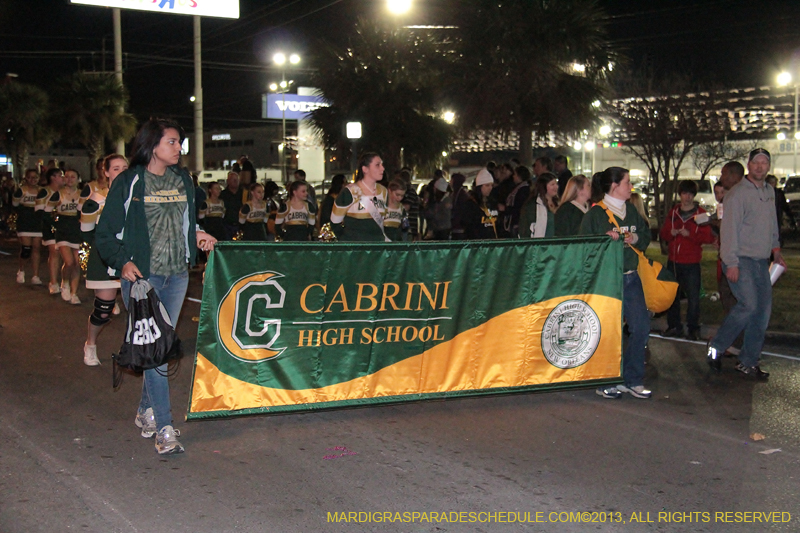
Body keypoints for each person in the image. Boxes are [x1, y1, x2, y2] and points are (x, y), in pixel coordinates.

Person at [96, 118, 216, 455]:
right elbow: (105, 233)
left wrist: (198, 235)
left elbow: (185, 223)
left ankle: (146, 411)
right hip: (141, 279)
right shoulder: (129, 181)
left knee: (159, 347)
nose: (179, 148)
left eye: (179, 142)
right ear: (153, 144)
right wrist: (124, 262)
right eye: (173, 142)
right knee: (157, 352)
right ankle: (165, 426)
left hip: (178, 275)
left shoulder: (183, 180)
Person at [706, 148, 783, 379]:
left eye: (764, 163)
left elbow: (772, 223)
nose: (760, 167)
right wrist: (731, 263)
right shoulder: (737, 194)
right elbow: (729, 231)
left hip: (762, 261)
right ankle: (716, 347)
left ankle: (748, 361)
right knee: (748, 305)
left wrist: (776, 248)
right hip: (742, 259)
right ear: (748, 165)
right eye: (756, 162)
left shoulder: (769, 191)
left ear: (768, 166)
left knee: (762, 313)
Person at [581, 166, 652, 399]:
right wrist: (604, 241)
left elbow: (645, 235)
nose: (630, 186)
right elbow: (583, 246)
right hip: (607, 281)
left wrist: (635, 238)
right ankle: (606, 379)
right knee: (609, 331)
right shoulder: (595, 214)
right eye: (627, 182)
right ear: (614, 186)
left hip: (631, 276)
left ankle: (632, 378)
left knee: (641, 326)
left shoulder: (630, 210)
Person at [81, 154, 128, 366]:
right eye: (116, 168)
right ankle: (90, 343)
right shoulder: (96, 200)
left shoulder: (137, 198)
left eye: (125, 168)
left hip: (133, 258)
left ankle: (135, 351)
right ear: (106, 172)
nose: (122, 172)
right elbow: (86, 233)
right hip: (105, 258)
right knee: (103, 310)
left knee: (141, 309)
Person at [659, 179, 714, 340]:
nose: (687, 197)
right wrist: (672, 233)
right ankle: (674, 326)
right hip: (674, 261)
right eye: (684, 194)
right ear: (680, 195)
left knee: (693, 297)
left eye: (690, 194)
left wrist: (691, 235)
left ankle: (693, 328)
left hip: (691, 261)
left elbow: (708, 237)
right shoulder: (674, 212)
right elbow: (664, 233)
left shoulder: (700, 214)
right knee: (672, 295)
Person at [330, 152, 389, 242]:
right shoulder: (349, 192)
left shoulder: (384, 191)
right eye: (377, 165)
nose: (382, 168)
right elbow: (335, 223)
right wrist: (348, 242)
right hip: (355, 250)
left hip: (377, 250)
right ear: (365, 169)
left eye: (382, 164)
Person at [48, 169, 83, 304]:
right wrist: (53, 226)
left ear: (78, 179)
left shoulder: (82, 195)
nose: (69, 179)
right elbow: (47, 211)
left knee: (76, 262)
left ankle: (74, 293)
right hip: (63, 230)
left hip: (77, 230)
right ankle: (65, 282)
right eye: (66, 177)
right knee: (68, 262)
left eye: (72, 177)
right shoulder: (58, 194)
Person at [12, 169, 44, 284]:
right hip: (25, 222)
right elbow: (15, 204)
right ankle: (21, 270)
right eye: (30, 177)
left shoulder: (42, 191)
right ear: (26, 178)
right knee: (26, 249)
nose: (33, 180)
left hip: (37, 222)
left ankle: (35, 275)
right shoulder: (21, 191)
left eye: (35, 177)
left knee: (36, 248)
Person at [36, 168, 64, 294]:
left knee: (66, 255)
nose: (63, 178)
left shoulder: (65, 192)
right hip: (50, 226)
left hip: (65, 226)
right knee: (54, 251)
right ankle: (53, 282)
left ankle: (65, 281)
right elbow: (40, 212)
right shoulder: (45, 192)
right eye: (60, 176)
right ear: (53, 177)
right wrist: (52, 224)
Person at [519, 172, 558, 238]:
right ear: (544, 186)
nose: (556, 187)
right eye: (552, 184)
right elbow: (524, 230)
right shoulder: (532, 206)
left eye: (556, 184)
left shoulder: (559, 203)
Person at [463, 168, 498, 239]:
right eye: (487, 185)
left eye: (492, 185)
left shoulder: (492, 202)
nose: (490, 188)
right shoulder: (471, 204)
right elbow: (469, 227)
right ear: (480, 187)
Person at [502, 165, 531, 238]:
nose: (513, 176)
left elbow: (519, 208)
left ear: (519, 176)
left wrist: (505, 209)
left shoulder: (523, 190)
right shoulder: (518, 188)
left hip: (516, 222)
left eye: (515, 174)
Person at [220, 171, 244, 240]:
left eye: (237, 180)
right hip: (226, 226)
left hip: (240, 226)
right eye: (233, 179)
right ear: (228, 181)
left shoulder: (244, 194)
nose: (235, 181)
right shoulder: (222, 195)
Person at [449, 173, 470, 239]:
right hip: (456, 227)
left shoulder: (462, 195)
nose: (450, 182)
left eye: (451, 180)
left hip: (460, 228)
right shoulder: (456, 193)